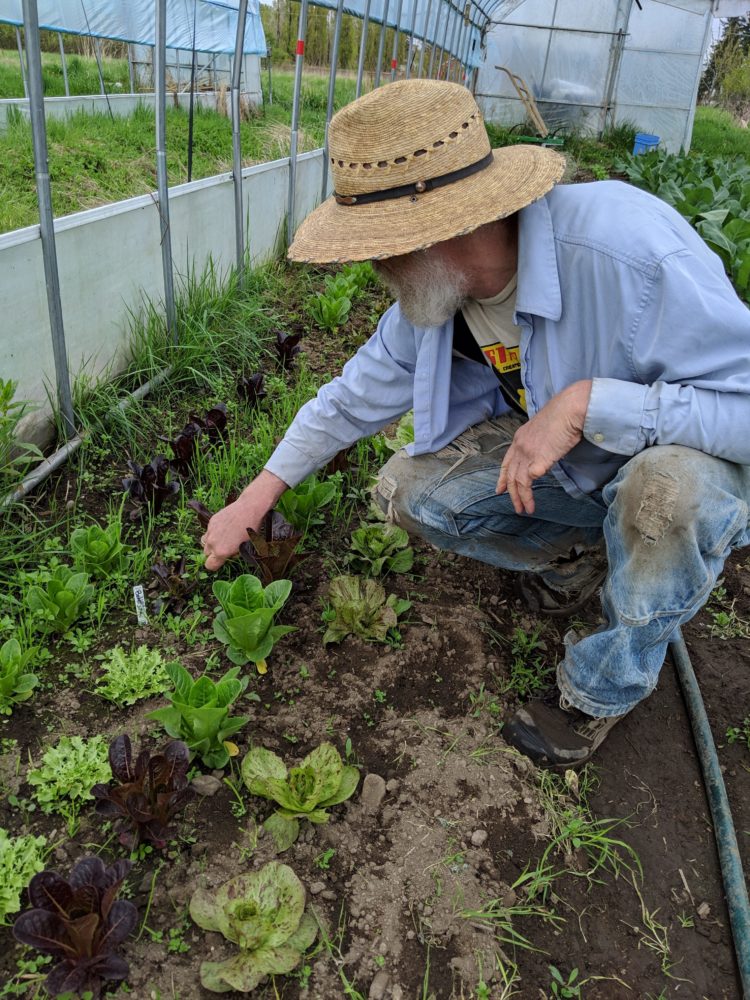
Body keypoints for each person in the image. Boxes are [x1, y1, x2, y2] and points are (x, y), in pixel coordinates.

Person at [200, 79, 750, 768]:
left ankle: (604, 687)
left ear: (441, 232)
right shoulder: (435, 295)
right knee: (412, 490)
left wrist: (587, 403)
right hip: (573, 475)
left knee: (668, 491)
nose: (372, 267)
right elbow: (352, 396)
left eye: (379, 247)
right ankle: (585, 555)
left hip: (676, 464)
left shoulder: (628, 255)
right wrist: (257, 498)